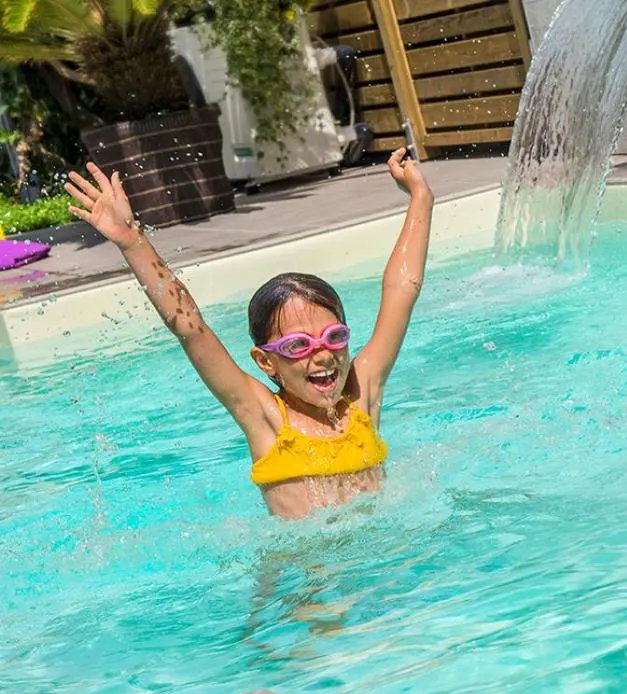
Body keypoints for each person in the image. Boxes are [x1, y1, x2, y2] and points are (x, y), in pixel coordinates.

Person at [65, 149, 434, 520]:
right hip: (309, 576)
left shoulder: (361, 393)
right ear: (265, 361)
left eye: (334, 337)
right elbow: (190, 329)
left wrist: (421, 198)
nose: (322, 355)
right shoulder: (264, 416)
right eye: (298, 345)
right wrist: (132, 242)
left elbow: (402, 290)